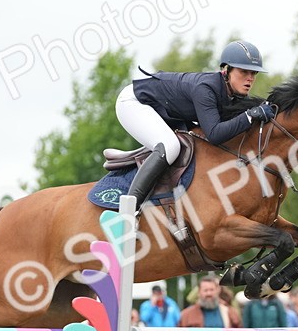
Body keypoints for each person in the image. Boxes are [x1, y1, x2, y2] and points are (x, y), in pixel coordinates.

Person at [115, 40, 274, 208]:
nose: (250, 79)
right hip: (134, 102)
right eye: (244, 72)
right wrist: (249, 116)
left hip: (162, 109)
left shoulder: (231, 93)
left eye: (254, 73)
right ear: (226, 70)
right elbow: (215, 134)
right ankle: (127, 210)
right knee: (170, 146)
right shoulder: (205, 89)